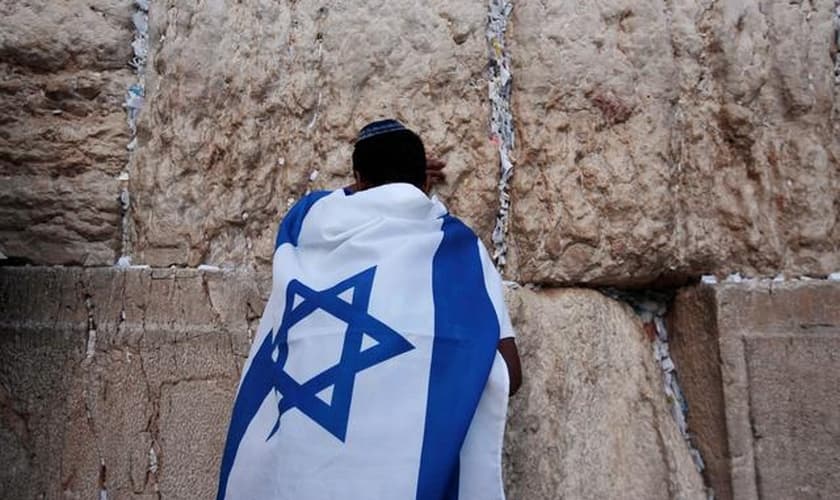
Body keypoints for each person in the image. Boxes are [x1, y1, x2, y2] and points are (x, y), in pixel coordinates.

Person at [217, 119, 521, 500]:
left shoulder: (307, 223)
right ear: (424, 180)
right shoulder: (454, 247)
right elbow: (509, 372)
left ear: (358, 178)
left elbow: (323, 201)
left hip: (302, 477)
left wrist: (385, 177)